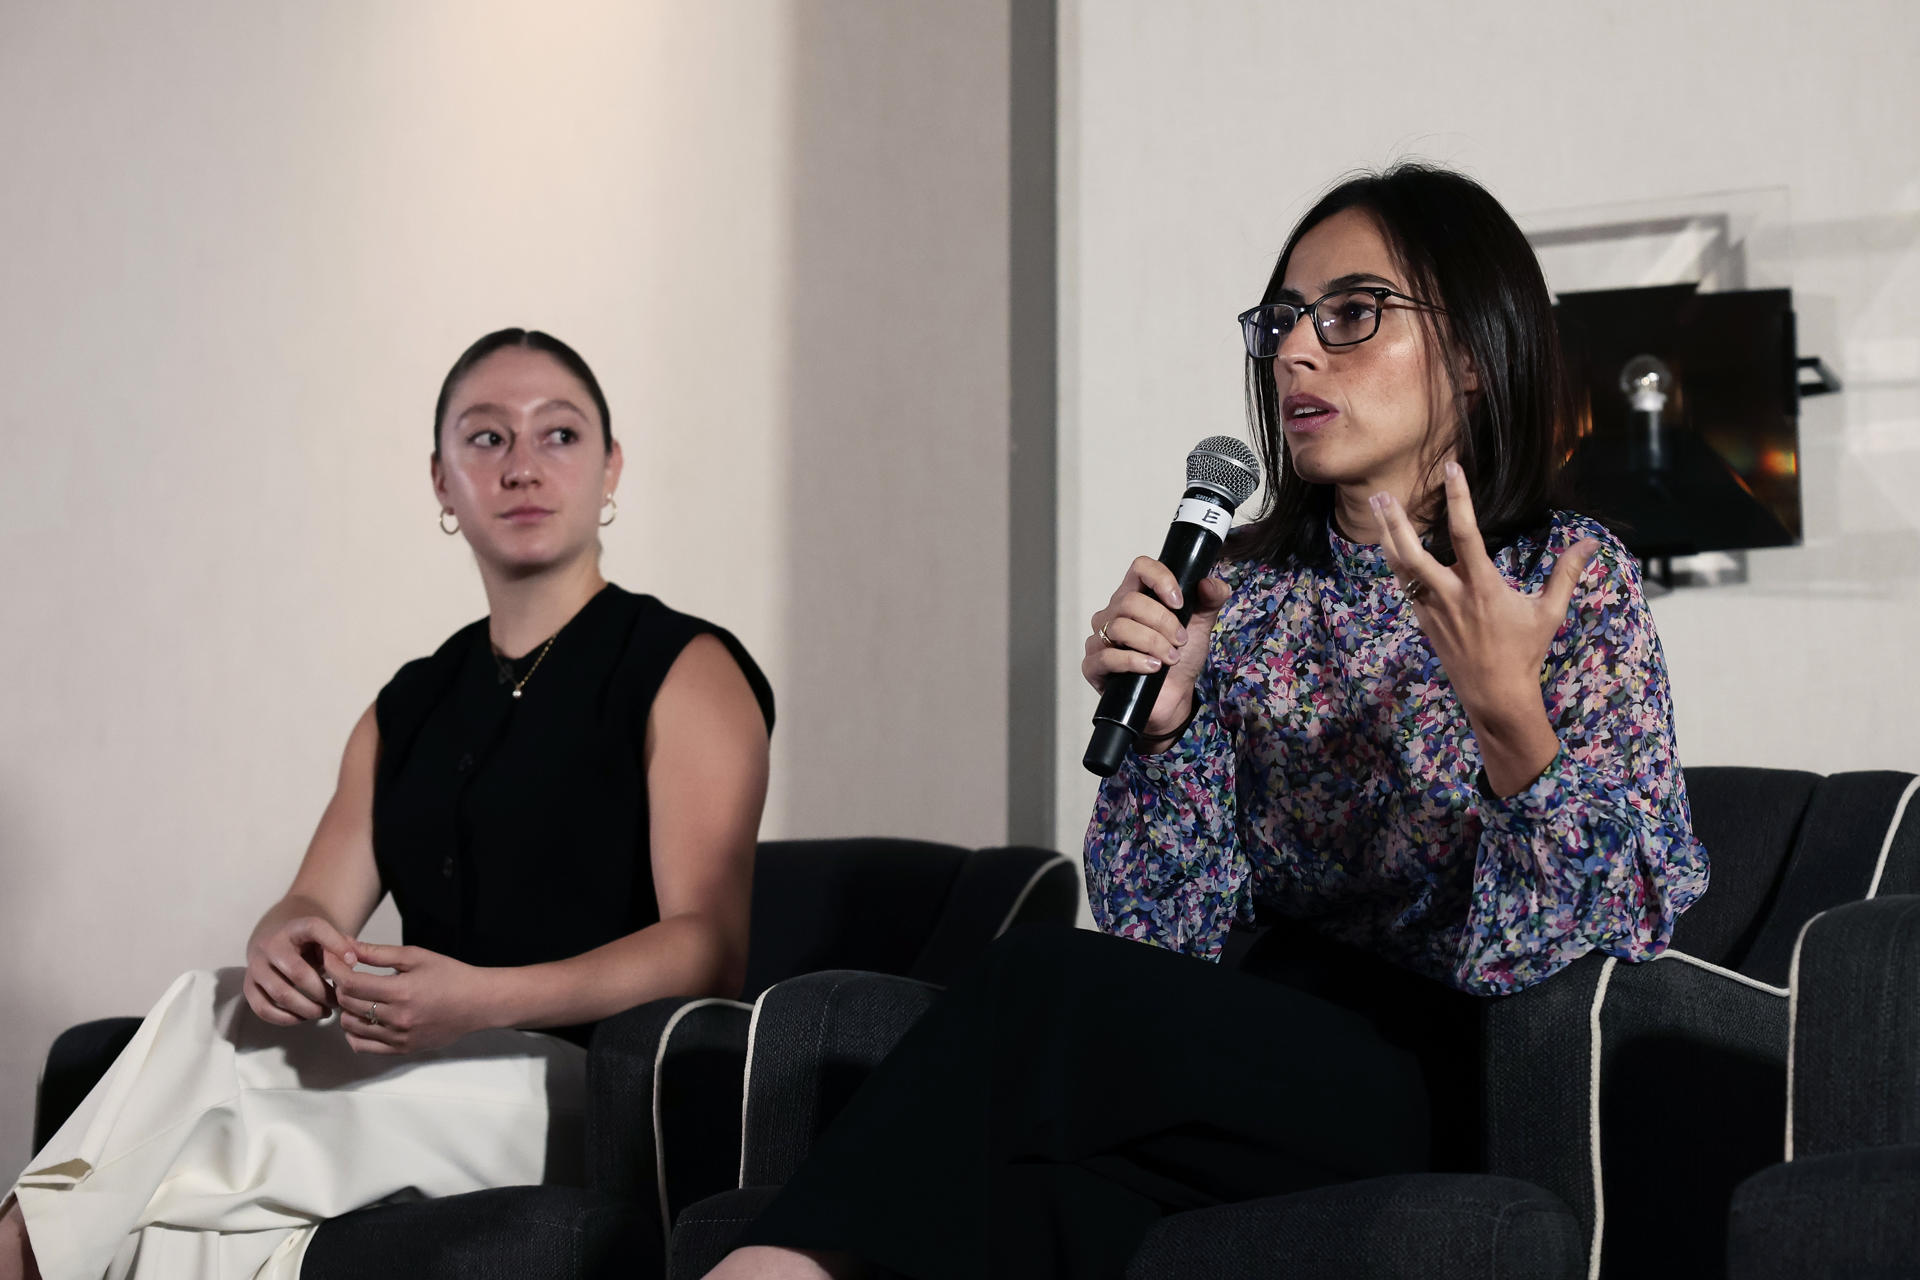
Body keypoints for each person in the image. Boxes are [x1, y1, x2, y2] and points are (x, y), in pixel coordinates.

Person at [705, 163, 1710, 1279]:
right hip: (1244, 1050)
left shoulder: (1565, 575)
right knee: (1026, 1206)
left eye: (1350, 314)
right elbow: (1157, 938)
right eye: (1281, 321)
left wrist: (1510, 721)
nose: (1293, 352)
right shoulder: (1243, 590)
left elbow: (1624, 930)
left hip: (1450, 1061)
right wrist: (1165, 732)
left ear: (1472, 353)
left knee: (1036, 979)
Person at [3, 329, 775, 1280]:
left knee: (180, 1163)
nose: (524, 466)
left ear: (611, 468)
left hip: (586, 1084)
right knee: (213, 1008)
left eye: (560, 436)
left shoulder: (686, 668)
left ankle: (19, 1244)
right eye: (486, 439)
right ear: (442, 483)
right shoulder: (409, 703)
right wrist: (287, 941)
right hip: (418, 1067)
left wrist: (482, 1000)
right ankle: (33, 1246)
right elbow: (314, 906)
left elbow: (709, 946)